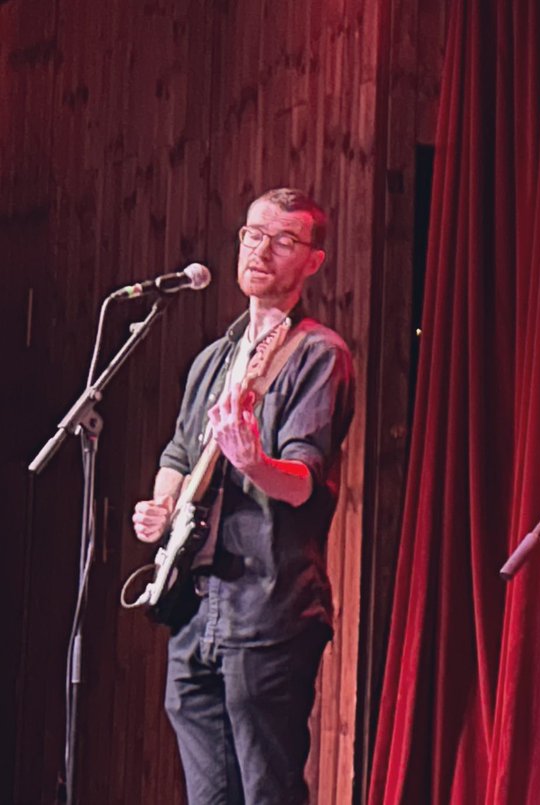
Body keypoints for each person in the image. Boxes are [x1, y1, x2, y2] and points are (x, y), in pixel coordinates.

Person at [130, 188, 355, 804]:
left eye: (284, 240)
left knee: (267, 791)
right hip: (194, 605)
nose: (262, 249)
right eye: (254, 234)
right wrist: (162, 508)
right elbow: (178, 456)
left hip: (268, 608)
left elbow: (303, 480)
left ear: (311, 261)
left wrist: (255, 461)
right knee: (209, 794)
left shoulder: (317, 354)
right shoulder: (213, 359)